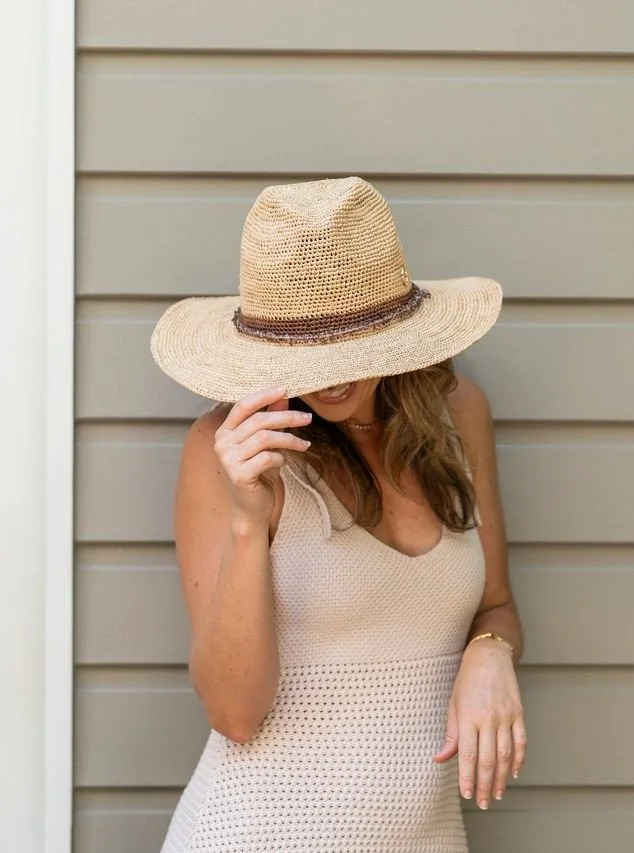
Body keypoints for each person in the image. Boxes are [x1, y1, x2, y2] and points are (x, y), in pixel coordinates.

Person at [150, 176, 526, 852]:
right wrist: (247, 518)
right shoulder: (227, 449)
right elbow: (234, 714)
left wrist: (489, 653)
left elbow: (494, 604)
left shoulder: (458, 414)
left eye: (348, 349)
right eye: (304, 352)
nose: (328, 376)